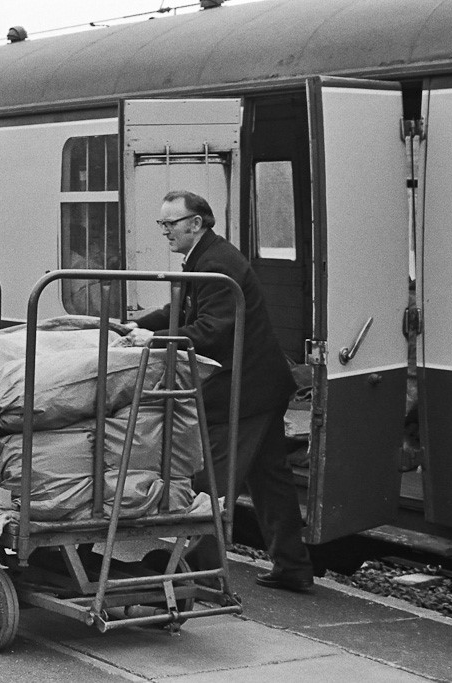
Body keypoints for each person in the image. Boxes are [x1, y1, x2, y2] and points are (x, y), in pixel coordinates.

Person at [132, 190, 313, 592]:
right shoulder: (205, 258)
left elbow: (212, 332)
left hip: (244, 394)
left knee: (212, 480)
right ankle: (294, 567)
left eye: (170, 224)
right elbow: (179, 311)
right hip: (257, 388)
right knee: (271, 481)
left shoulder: (215, 263)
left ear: (195, 223)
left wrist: (152, 341)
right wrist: (137, 327)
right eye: (162, 224)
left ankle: (202, 573)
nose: (164, 231)